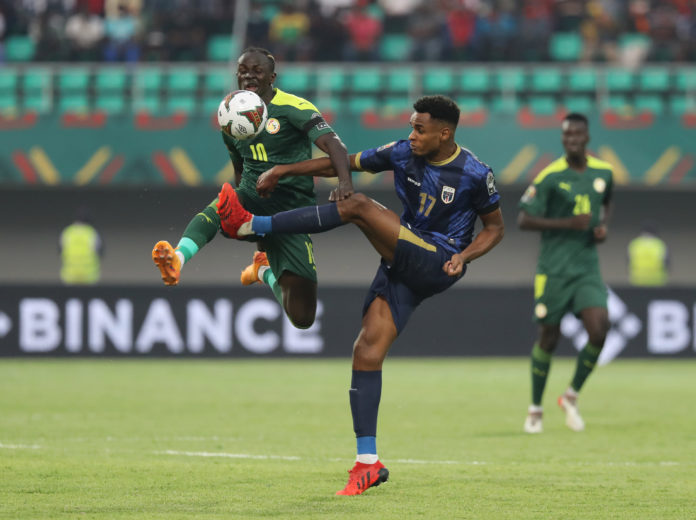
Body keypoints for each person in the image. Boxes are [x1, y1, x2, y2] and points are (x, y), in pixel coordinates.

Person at [216, 95, 505, 495]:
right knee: (366, 352)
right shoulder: (403, 153)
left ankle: (251, 226)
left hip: (438, 260)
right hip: (402, 260)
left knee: (359, 206)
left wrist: (465, 256)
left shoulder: (474, 173)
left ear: (445, 133)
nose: (411, 134)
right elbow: (344, 163)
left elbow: (494, 228)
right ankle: (367, 463)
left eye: (419, 129)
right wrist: (285, 169)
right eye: (411, 125)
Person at [152, 47, 353, 329]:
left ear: (272, 76)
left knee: (303, 317)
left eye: (257, 70)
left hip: (292, 211)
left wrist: (345, 183)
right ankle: (178, 258)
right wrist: (240, 210)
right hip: (251, 196)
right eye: (243, 71)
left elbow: (335, 146)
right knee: (223, 204)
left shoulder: (293, 108)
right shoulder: (230, 116)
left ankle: (264, 272)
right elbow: (239, 168)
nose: (249, 75)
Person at [518, 112, 614, 434]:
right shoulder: (549, 176)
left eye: (576, 135)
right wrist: (566, 224)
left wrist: (601, 227)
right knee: (549, 337)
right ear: (563, 139)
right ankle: (535, 409)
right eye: (566, 136)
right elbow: (524, 219)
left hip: (586, 266)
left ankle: (570, 395)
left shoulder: (604, 172)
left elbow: (605, 204)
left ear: (586, 138)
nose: (571, 140)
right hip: (554, 269)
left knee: (599, 330)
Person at [59, 206, 104, 285]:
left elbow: (60, 251)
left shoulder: (67, 232)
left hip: (69, 276)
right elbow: (101, 252)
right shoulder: (92, 233)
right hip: (89, 277)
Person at [627, 220, 669, 286]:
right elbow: (666, 262)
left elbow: (628, 261)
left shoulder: (634, 244)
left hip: (638, 279)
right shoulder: (659, 244)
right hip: (657, 280)